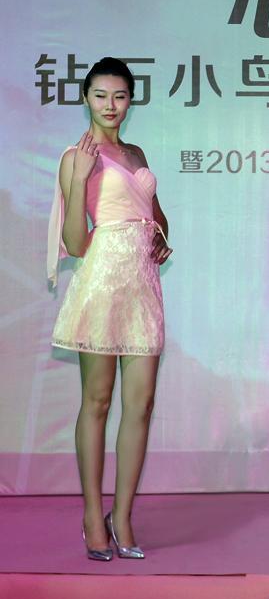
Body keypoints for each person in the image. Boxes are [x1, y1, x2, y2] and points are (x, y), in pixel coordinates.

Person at [47, 57, 172, 561]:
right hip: (100, 283)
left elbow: (156, 216)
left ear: (130, 100)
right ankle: (90, 516)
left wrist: (160, 236)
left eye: (120, 96)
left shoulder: (136, 152)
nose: (111, 105)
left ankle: (121, 516)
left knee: (140, 404)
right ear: (86, 98)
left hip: (142, 286)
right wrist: (80, 179)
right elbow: (77, 243)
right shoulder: (75, 156)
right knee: (97, 402)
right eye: (100, 96)